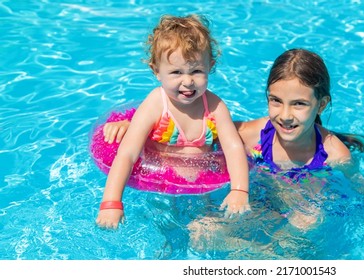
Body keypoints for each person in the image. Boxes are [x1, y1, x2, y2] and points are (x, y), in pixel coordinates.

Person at [103, 48, 364, 229]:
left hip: (300, 211)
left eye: (299, 104)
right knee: (202, 231)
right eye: (275, 101)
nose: (285, 115)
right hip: (257, 207)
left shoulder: (336, 155)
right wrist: (136, 125)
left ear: (321, 105)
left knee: (307, 220)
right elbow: (193, 131)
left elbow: (359, 190)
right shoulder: (249, 134)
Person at [96, 14, 250, 229]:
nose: (187, 81)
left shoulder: (215, 106)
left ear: (210, 66)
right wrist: (111, 203)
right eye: (176, 72)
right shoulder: (156, 104)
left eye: (196, 71)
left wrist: (239, 190)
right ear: (156, 71)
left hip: (200, 183)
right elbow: (128, 153)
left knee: (206, 226)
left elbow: (234, 147)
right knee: (166, 227)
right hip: (161, 184)